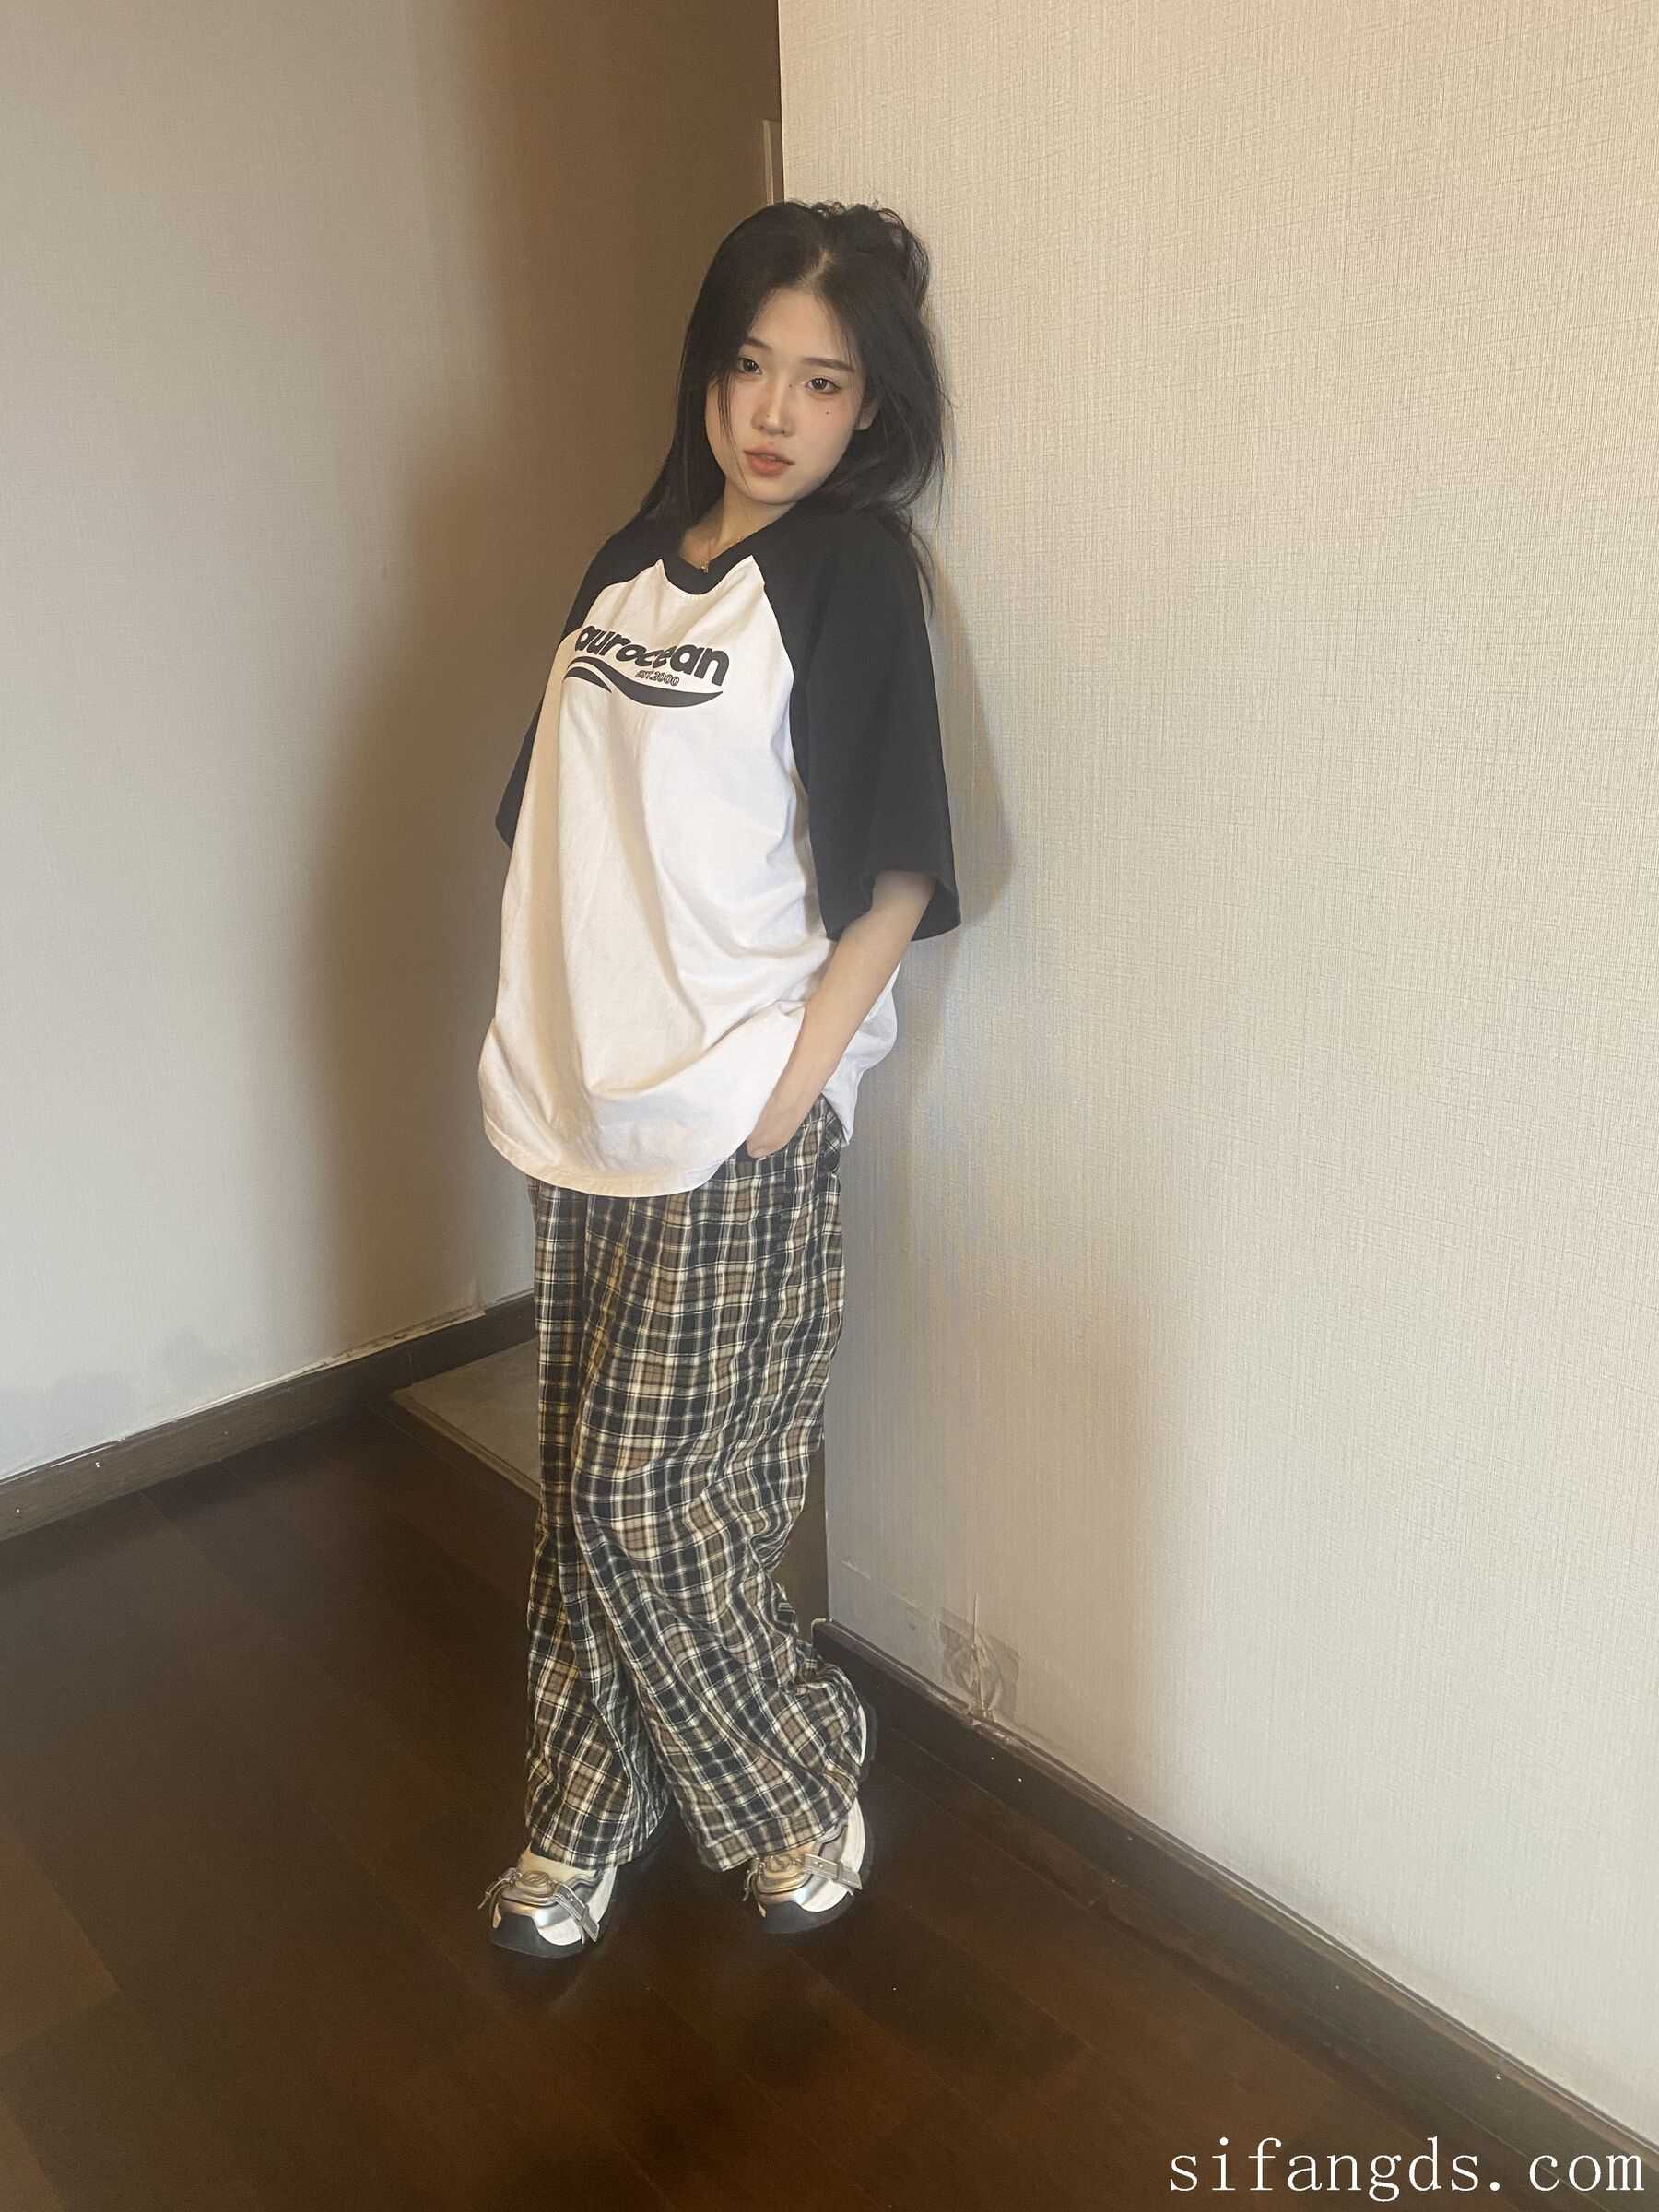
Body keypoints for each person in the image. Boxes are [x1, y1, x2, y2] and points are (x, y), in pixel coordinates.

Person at [475, 198, 961, 1958]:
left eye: (820, 382)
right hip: (586, 1104)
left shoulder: (848, 574)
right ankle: (581, 1813)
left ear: (869, 408)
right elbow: (554, 823)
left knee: (657, 1497)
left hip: (735, 1117)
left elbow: (895, 875)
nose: (774, 411)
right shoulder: (627, 558)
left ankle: (797, 1775)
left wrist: (785, 1097)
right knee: (583, 1484)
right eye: (750, 365)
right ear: (707, 370)